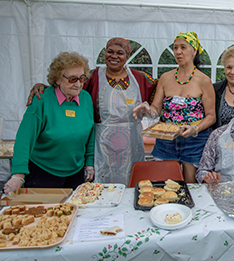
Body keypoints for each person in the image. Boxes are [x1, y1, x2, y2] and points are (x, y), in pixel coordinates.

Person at [26, 37, 157, 186]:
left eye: (120, 53)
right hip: (102, 143)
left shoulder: (139, 78)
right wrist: (43, 86)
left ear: (127, 56)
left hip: (132, 143)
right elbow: (68, 85)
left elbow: (161, 90)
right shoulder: (93, 76)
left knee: (132, 179)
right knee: (101, 185)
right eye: (110, 52)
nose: (114, 56)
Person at [3, 52, 95, 194]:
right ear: (57, 79)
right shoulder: (42, 99)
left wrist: (89, 163)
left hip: (75, 172)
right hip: (43, 172)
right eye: (72, 79)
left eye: (82, 78)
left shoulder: (85, 98)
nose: (78, 84)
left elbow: (90, 134)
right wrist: (18, 174)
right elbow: (25, 138)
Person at [133, 31, 215, 183]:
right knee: (166, 183)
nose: (178, 51)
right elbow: (155, 110)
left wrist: (195, 129)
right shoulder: (165, 78)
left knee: (192, 185)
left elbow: (211, 116)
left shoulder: (204, 80)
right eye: (175, 47)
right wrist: (146, 109)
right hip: (166, 139)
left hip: (193, 140)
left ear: (194, 51)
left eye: (183, 47)